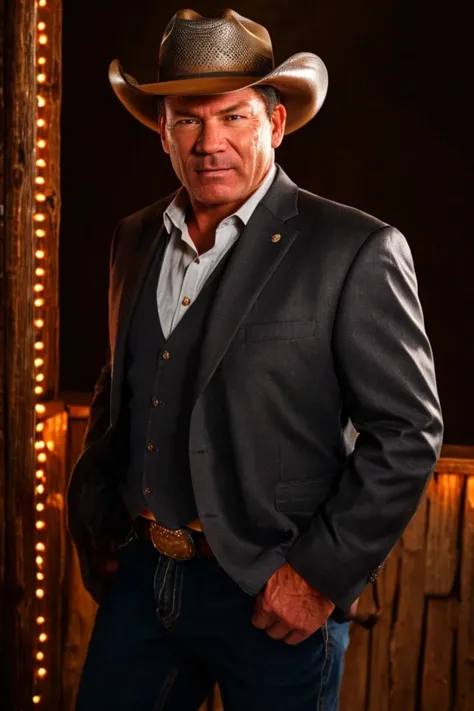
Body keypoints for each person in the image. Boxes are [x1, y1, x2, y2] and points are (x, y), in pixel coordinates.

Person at [66, 8, 443, 711]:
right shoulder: (134, 238)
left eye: (233, 117)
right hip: (142, 580)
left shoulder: (354, 248)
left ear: (274, 124)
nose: (210, 142)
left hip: (272, 591)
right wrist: (95, 512)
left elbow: (409, 432)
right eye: (187, 120)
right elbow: (123, 383)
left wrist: (318, 577)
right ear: (162, 130)